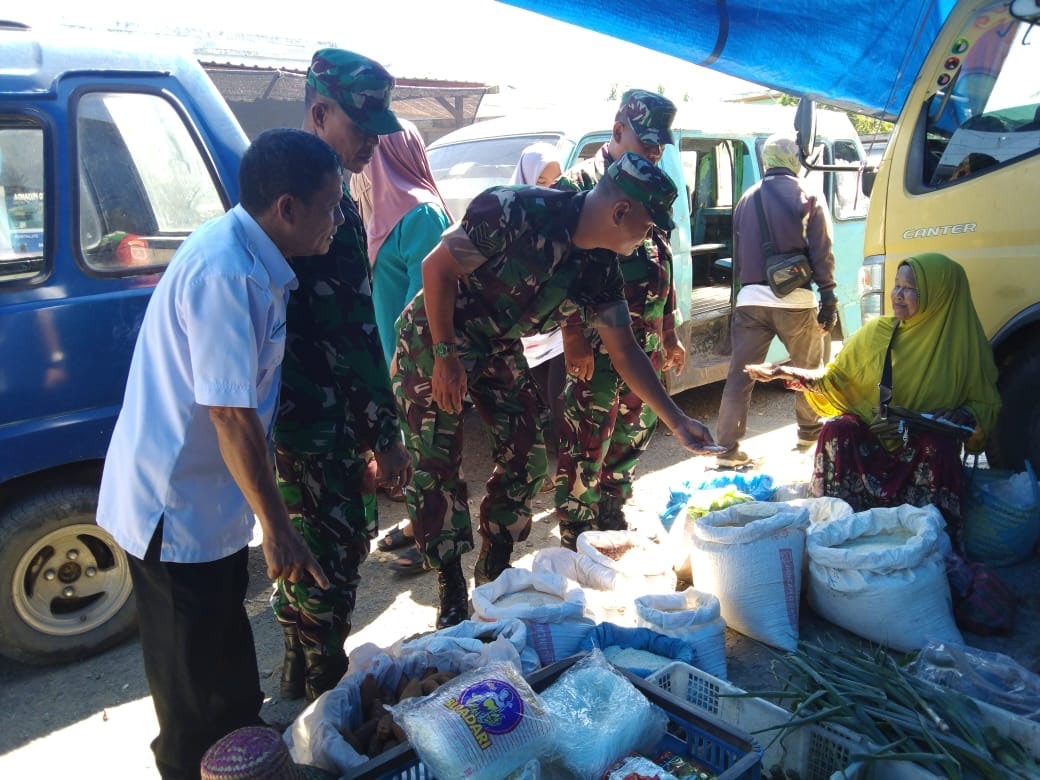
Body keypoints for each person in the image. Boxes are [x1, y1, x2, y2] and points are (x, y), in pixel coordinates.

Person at [95, 127, 343, 780]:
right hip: (172, 512)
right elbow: (231, 416)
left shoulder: (257, 261)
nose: (339, 221)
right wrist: (280, 528)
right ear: (287, 208)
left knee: (226, 666)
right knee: (193, 695)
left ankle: (246, 758)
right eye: (332, 205)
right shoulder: (227, 273)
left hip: (208, 505)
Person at [392, 151, 720, 629]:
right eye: (648, 227)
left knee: (527, 454)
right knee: (437, 462)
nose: (649, 239)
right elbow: (436, 268)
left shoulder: (601, 267)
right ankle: (450, 588)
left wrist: (677, 420)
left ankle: (495, 565)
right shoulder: (514, 211)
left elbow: (626, 350)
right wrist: (444, 357)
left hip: (498, 345)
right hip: (435, 336)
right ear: (620, 212)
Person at [272, 49, 412, 704]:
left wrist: (378, 433)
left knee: (323, 572)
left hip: (332, 431)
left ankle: (300, 697)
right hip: (297, 433)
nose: (372, 143)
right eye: (362, 125)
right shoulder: (280, 202)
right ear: (321, 111)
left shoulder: (342, 206)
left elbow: (357, 330)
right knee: (321, 579)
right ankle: (320, 724)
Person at [746, 252, 1000, 537]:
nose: (897, 295)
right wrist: (788, 373)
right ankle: (834, 526)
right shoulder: (879, 334)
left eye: (909, 289)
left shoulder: (966, 348)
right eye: (896, 285)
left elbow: (986, 405)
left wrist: (964, 414)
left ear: (938, 295)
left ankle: (928, 539)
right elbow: (835, 380)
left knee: (938, 446)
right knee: (837, 431)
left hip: (921, 452)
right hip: (878, 440)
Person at [551, 89, 687, 547]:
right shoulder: (576, 187)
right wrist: (572, 332)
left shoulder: (650, 183)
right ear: (616, 131)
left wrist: (669, 331)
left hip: (642, 342)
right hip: (598, 345)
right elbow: (560, 268)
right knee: (587, 436)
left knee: (632, 432)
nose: (654, 152)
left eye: (659, 146)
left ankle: (610, 508)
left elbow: (658, 257)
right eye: (645, 142)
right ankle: (575, 525)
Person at [347, 117, 451, 574]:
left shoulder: (421, 214)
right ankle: (417, 522)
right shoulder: (383, 214)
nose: (365, 163)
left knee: (430, 453)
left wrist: (397, 366)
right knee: (411, 449)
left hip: (417, 363)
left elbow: (421, 308)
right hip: (391, 360)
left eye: (375, 151)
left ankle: (437, 544)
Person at [714, 133, 838, 468]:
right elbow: (821, 249)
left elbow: (739, 255)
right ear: (794, 158)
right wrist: (828, 298)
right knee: (809, 369)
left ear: (767, 160)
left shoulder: (746, 199)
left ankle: (726, 449)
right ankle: (809, 434)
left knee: (741, 376)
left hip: (750, 300)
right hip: (796, 301)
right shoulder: (808, 193)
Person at [511, 142, 567, 472]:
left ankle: (567, 474)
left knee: (561, 401)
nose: (551, 190)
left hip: (560, 329)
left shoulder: (565, 219)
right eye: (543, 182)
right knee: (536, 403)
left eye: (557, 181)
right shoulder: (509, 221)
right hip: (526, 332)